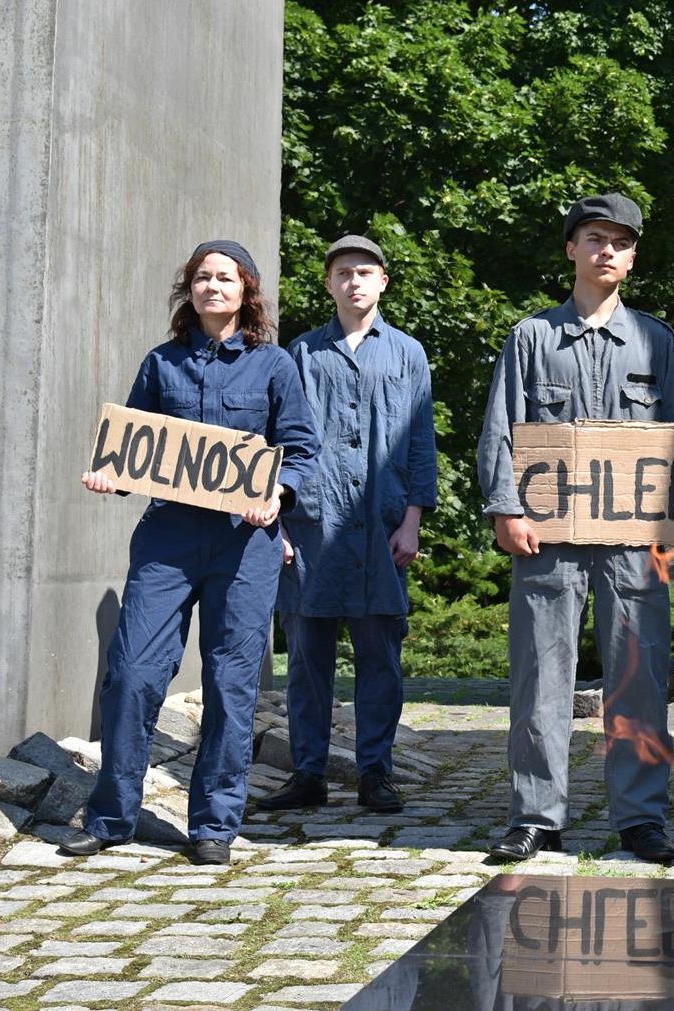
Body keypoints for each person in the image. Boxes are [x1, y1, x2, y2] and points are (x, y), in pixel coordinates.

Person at [64, 241, 319, 865]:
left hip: (244, 542)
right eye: (202, 277)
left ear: (246, 290)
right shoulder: (162, 362)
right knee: (131, 673)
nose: (212, 287)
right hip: (169, 538)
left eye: (224, 278)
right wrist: (111, 475)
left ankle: (213, 825)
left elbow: (303, 451)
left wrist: (277, 495)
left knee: (231, 681)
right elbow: (134, 450)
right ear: (190, 289)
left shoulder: (274, 366)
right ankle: (111, 816)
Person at [477, 194, 674, 863]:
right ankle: (536, 814)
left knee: (639, 674)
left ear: (632, 259)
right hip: (550, 539)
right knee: (540, 673)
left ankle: (640, 817)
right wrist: (504, 506)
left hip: (636, 541)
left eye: (621, 242)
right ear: (571, 249)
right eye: (595, 238)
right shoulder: (532, 337)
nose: (608, 250)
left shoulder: (655, 340)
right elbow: (501, 427)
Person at [260, 234, 438, 816]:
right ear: (330, 282)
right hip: (312, 527)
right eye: (343, 272)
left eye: (365, 272)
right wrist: (280, 524)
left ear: (383, 281)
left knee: (380, 660)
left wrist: (412, 520)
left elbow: (419, 444)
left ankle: (375, 773)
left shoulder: (408, 353)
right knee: (308, 662)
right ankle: (307, 773)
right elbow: (277, 441)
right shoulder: (301, 353)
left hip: (381, 530)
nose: (354, 281)